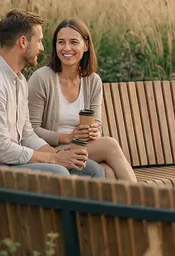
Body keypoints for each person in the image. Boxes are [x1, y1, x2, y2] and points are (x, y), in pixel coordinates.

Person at [0, 10, 105, 178]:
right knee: (59, 172)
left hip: (7, 163)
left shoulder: (19, 80)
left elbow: (27, 134)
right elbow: (0, 148)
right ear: (23, 42)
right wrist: (53, 159)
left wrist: (59, 155)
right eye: (39, 41)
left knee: (92, 169)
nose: (42, 47)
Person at [28, 18, 137, 182]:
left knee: (108, 173)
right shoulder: (42, 78)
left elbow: (97, 123)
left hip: (84, 147)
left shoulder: (93, 81)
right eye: (61, 42)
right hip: (51, 150)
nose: (67, 48)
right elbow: (31, 129)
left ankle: (105, 208)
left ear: (86, 45)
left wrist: (94, 131)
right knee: (110, 145)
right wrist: (68, 137)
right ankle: (143, 203)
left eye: (73, 42)